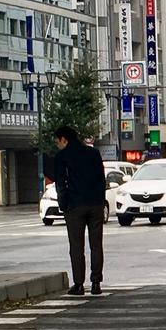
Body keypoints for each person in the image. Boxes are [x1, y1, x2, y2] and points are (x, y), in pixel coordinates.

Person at [47, 123, 107, 296]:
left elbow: (60, 183)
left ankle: (79, 284)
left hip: (74, 205)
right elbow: (101, 179)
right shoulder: (93, 153)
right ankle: (96, 283)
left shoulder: (62, 156)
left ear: (64, 139)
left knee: (76, 246)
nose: (57, 144)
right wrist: (100, 200)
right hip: (95, 204)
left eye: (57, 141)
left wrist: (63, 204)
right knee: (96, 245)